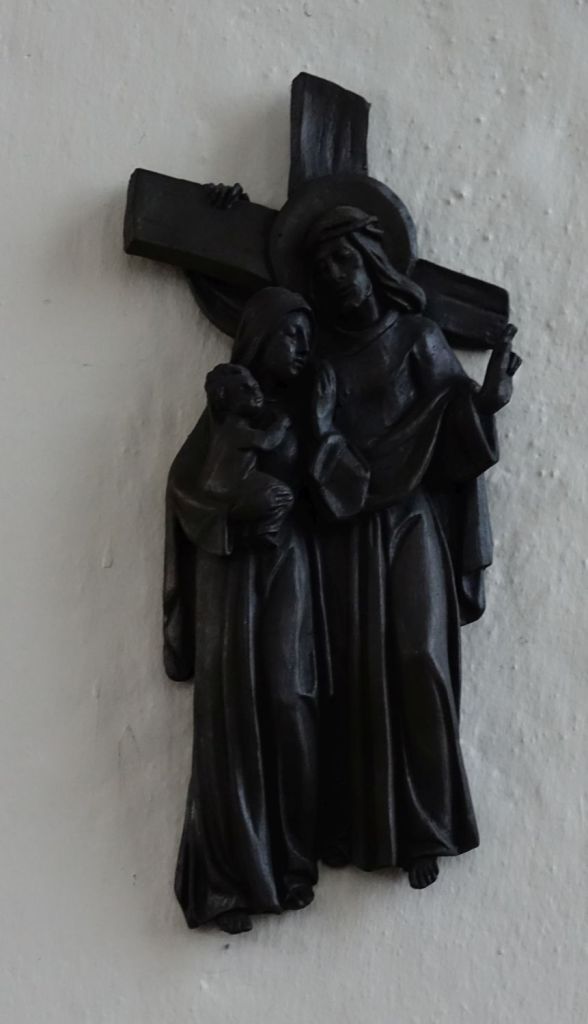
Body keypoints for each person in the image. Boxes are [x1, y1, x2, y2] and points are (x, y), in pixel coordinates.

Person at [305, 206, 519, 888]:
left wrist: (487, 402)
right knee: (353, 673)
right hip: (348, 534)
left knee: (420, 658)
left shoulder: (417, 337)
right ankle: (357, 824)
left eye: (344, 260)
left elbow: (453, 423)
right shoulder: (325, 362)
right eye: (323, 269)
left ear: (374, 262)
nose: (336, 277)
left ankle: (428, 824)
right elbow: (317, 448)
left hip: (411, 523)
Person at [164, 288, 319, 933]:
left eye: (308, 338)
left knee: (288, 697)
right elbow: (185, 491)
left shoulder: (308, 407)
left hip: (286, 568)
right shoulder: (224, 417)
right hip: (230, 573)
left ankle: (294, 858)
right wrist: (235, 513)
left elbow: (333, 487)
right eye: (291, 336)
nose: (302, 350)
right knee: (228, 711)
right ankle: (230, 880)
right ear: (258, 338)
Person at [201, 362, 294, 547]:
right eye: (244, 389)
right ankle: (262, 530)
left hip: (230, 482)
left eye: (255, 386)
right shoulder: (235, 429)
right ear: (223, 397)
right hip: (228, 485)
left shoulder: (227, 429)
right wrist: (282, 423)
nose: (255, 391)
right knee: (282, 495)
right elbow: (268, 442)